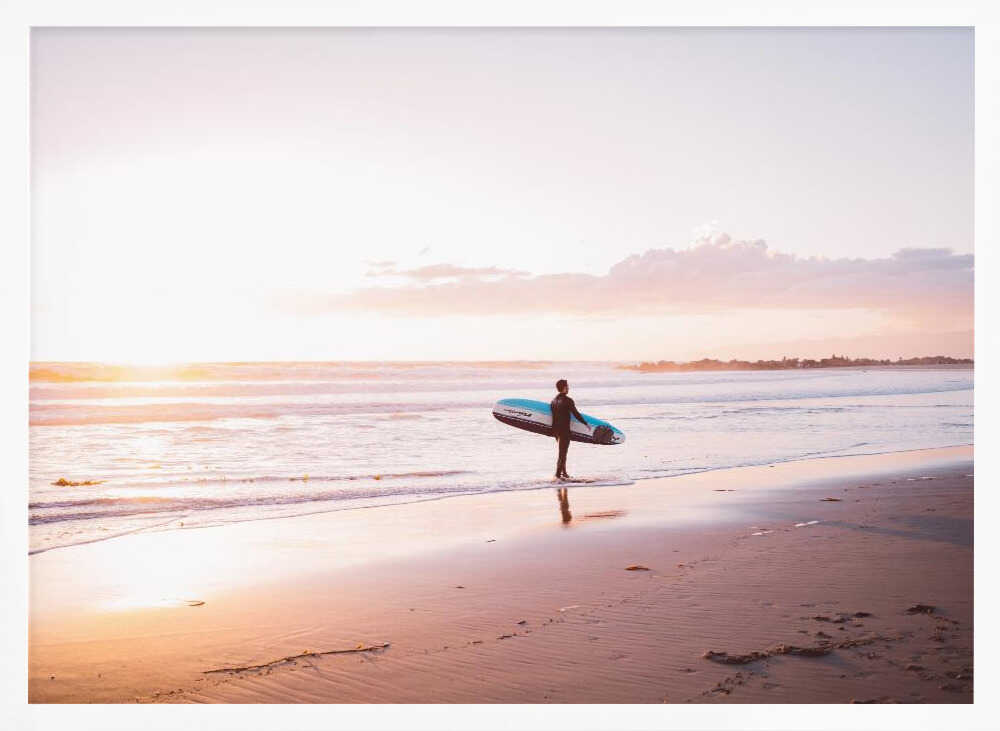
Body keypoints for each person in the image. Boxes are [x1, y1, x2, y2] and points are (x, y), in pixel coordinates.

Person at [550, 379, 588, 480]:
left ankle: (564, 473)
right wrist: (585, 423)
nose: (569, 388)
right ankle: (557, 475)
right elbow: (576, 414)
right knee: (563, 453)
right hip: (564, 430)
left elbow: (553, 418)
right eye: (567, 386)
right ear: (564, 388)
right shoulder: (568, 400)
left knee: (562, 451)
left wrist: (553, 431)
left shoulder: (553, 401)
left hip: (556, 430)